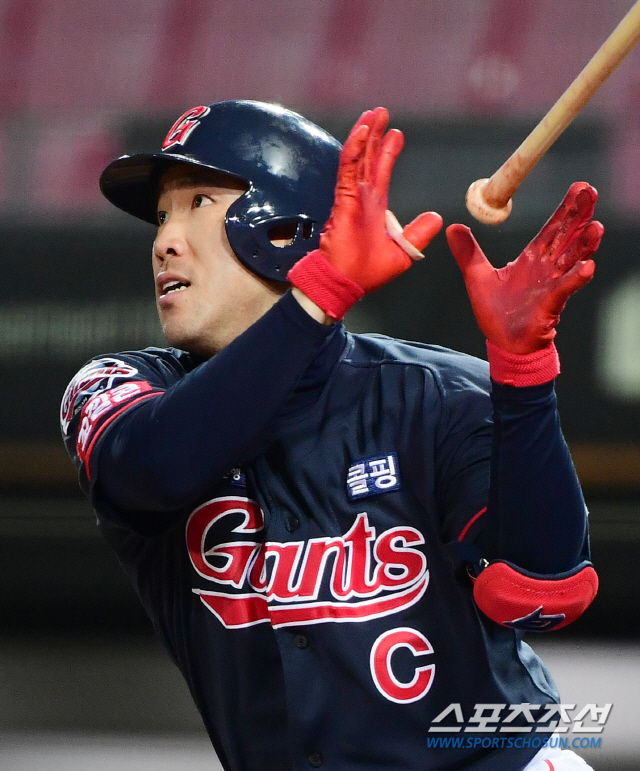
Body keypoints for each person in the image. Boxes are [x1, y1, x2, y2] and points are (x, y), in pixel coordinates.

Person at [61, 100, 603, 771]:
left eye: (198, 202)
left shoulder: (435, 394)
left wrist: (524, 377)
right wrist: (321, 292)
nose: (164, 240)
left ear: (286, 227)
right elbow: (149, 473)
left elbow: (541, 594)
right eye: (162, 214)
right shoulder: (118, 388)